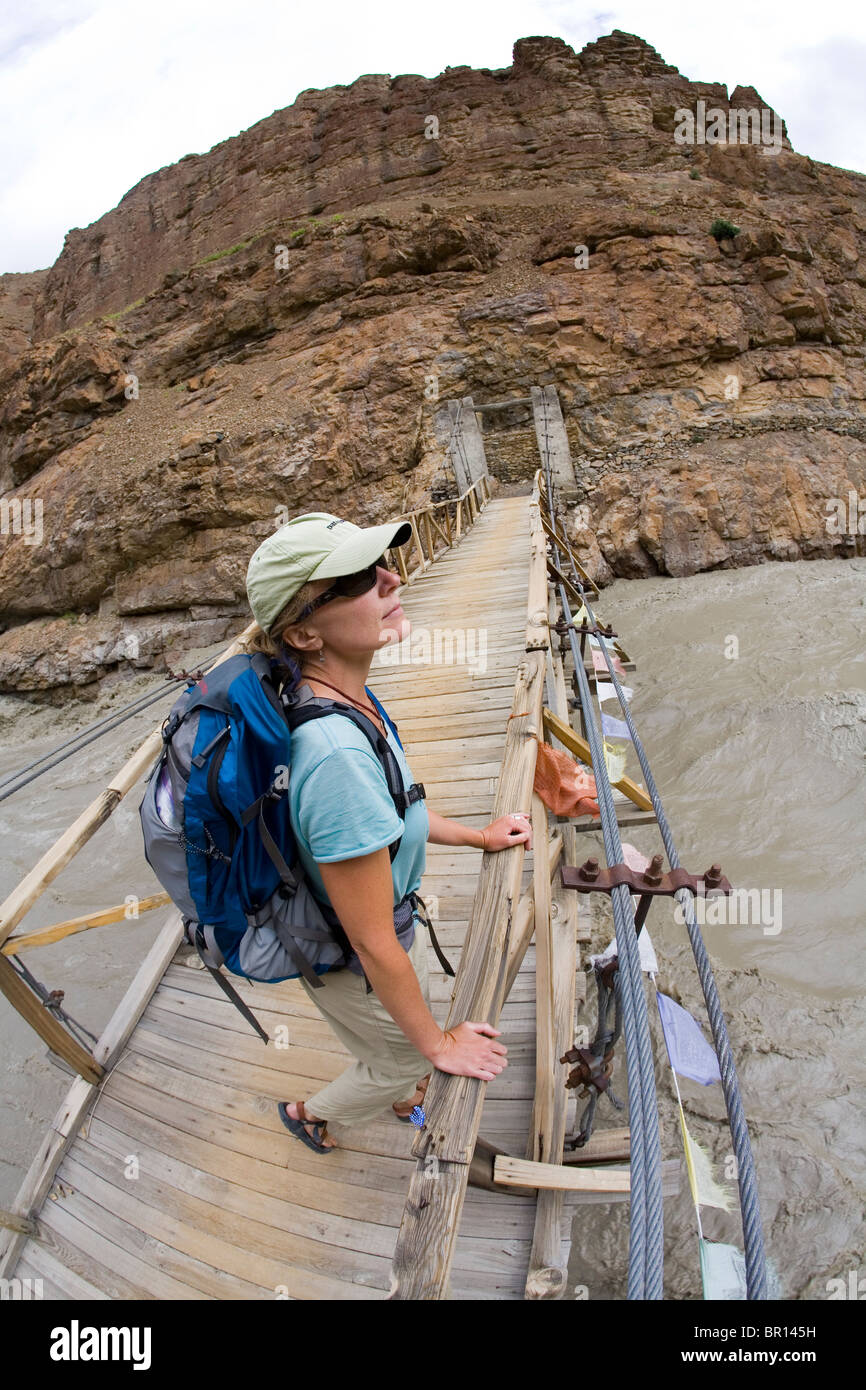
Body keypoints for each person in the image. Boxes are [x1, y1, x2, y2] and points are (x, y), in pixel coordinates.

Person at [243, 511, 533, 1153]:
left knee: (393, 1033)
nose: (391, 577)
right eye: (356, 578)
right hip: (351, 956)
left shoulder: (347, 699)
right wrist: (437, 1047)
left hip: (374, 933)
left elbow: (394, 815)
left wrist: (479, 838)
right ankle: (309, 1113)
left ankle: (402, 1081)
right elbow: (374, 944)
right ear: (303, 633)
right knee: (400, 1057)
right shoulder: (336, 757)